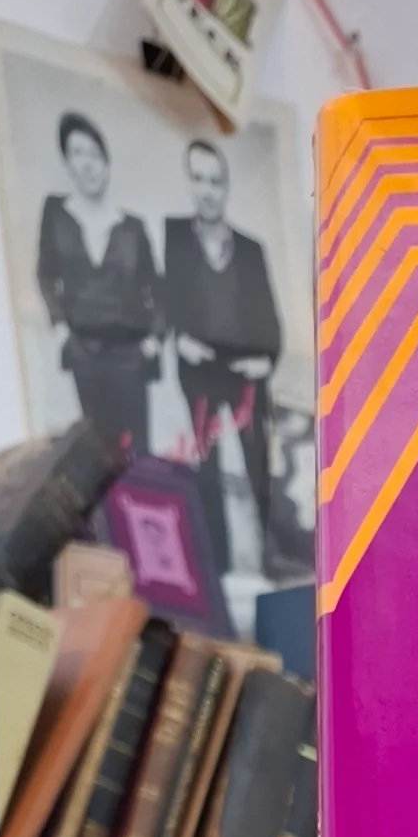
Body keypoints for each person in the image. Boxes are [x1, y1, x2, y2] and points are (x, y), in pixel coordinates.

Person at [163, 135, 281, 568]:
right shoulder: (175, 238)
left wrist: (265, 360)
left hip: (244, 371)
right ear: (188, 183)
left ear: (226, 187)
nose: (207, 191)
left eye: (215, 181)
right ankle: (217, 562)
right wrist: (178, 337)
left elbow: (270, 319)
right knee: (207, 468)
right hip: (200, 371)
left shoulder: (250, 250)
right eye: (198, 179)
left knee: (258, 464)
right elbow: (165, 299)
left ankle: (268, 560)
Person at [36, 111, 162, 457]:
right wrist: (60, 325)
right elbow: (45, 273)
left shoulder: (132, 228)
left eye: (94, 154)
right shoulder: (56, 214)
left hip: (130, 356)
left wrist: (153, 339)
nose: (87, 164)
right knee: (97, 452)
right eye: (77, 153)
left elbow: (159, 290)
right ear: (67, 161)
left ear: (106, 163)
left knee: (138, 452)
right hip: (84, 353)